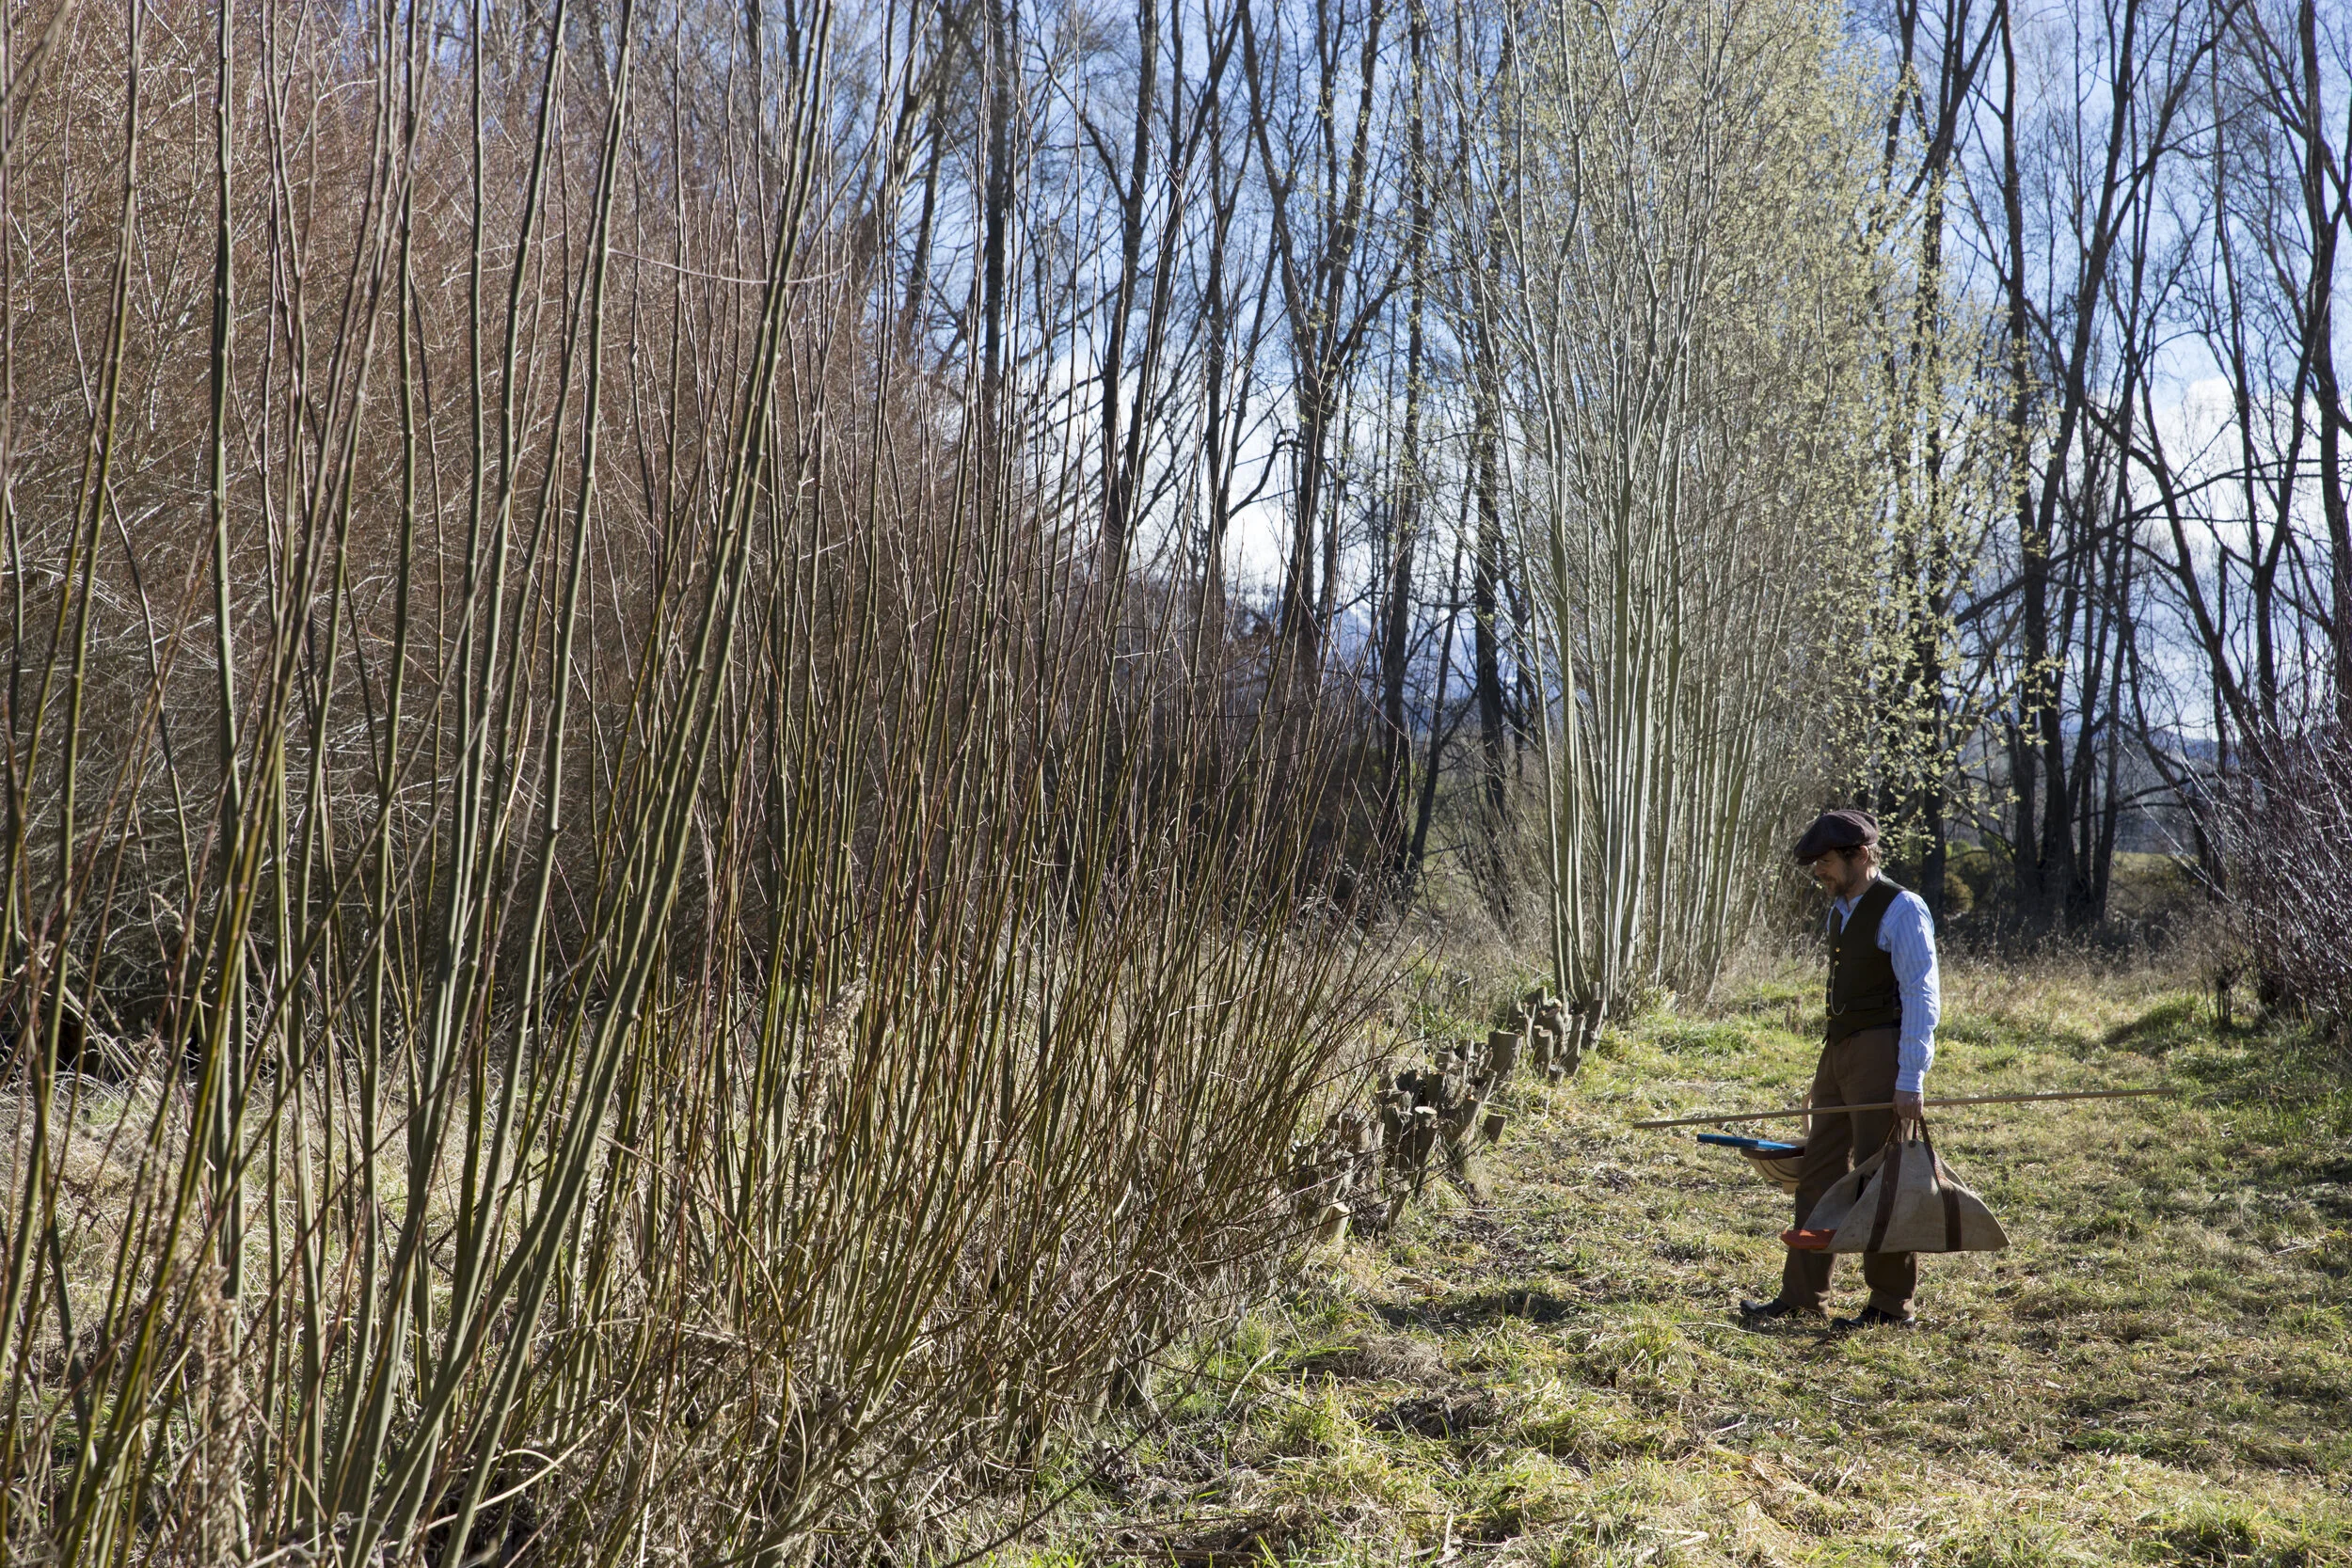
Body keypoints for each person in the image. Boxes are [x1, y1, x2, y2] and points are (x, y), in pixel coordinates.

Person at [1740, 807, 1939, 1331]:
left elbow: (1922, 996)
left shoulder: (1902, 909)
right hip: (1839, 1052)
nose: (1818, 874)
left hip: (1882, 1054)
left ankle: (1891, 1306)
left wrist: (1910, 1078)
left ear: (1860, 856)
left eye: (1825, 862)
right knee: (1818, 1168)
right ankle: (1804, 1294)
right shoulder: (1838, 911)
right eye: (1814, 866)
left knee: (1882, 1176)